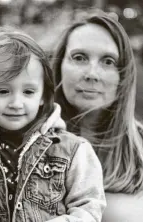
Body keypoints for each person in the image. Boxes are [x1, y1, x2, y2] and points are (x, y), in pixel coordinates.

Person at [0, 26, 106, 222]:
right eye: (2, 91)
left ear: (43, 95)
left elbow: (89, 209)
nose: (16, 104)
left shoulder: (73, 150)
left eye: (28, 92)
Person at [51, 11, 143, 222]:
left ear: (123, 75)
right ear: (60, 66)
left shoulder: (140, 146)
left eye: (108, 61)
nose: (92, 74)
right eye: (79, 58)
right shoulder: (26, 138)